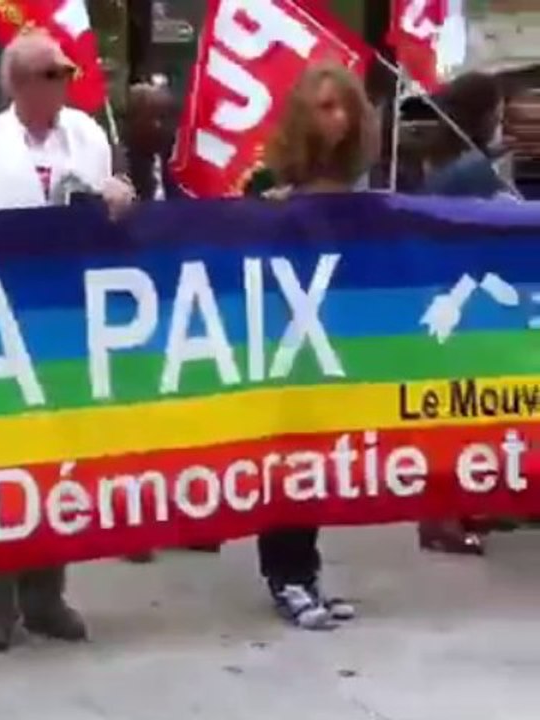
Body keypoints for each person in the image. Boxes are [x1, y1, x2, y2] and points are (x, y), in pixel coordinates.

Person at [0, 29, 136, 653]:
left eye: (68, 73)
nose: (67, 83)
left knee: (57, 463)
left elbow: (107, 228)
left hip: (68, 325)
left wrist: (119, 199)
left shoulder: (89, 137)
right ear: (20, 82)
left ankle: (46, 596)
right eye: (55, 73)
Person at [257, 61, 377, 630]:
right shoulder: (270, 184)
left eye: (345, 105)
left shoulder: (361, 190)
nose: (339, 118)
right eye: (326, 107)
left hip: (336, 340)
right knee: (286, 456)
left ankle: (306, 573)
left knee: (316, 463)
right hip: (286, 342)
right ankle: (283, 576)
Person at [415, 72, 515, 555]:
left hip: (461, 294)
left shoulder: (454, 158)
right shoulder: (468, 167)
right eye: (497, 106)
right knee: (457, 410)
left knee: (469, 406)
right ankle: (440, 517)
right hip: (459, 300)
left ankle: (467, 501)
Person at [422, 72, 517, 200]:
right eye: (499, 116)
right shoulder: (475, 172)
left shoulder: (431, 158)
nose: (501, 123)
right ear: (488, 119)